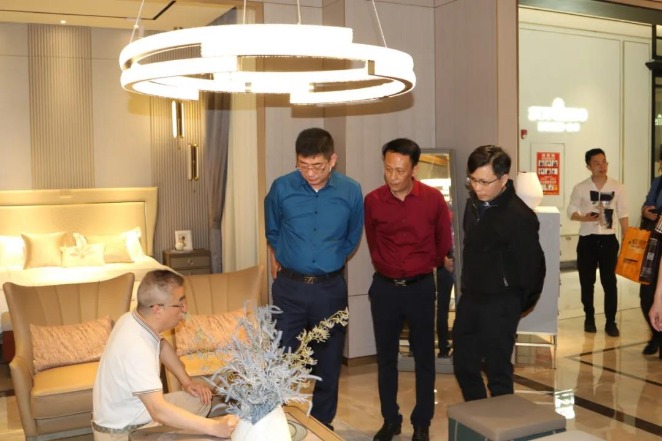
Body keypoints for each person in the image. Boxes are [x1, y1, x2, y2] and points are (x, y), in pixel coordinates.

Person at [264, 127, 363, 430]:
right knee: (281, 358)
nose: (310, 173)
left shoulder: (351, 191)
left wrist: (329, 261)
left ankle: (322, 423)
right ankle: (278, 422)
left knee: (329, 360)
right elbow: (273, 231)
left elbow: (352, 237)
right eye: (303, 165)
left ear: (332, 160)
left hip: (330, 289)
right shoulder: (281, 188)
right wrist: (289, 257)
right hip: (290, 288)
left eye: (317, 166)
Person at [364, 138, 452, 441]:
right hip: (385, 289)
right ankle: (390, 419)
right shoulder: (373, 200)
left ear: (414, 169)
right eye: (388, 169)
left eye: (400, 170)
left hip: (420, 288)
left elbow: (442, 243)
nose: (393, 176)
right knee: (386, 358)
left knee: (424, 357)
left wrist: (420, 265)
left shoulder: (433, 199)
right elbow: (373, 242)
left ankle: (422, 422)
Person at [92, 270, 238, 441]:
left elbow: (161, 345)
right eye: (179, 303)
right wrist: (215, 427)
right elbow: (158, 411)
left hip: (138, 414)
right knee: (208, 433)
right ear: (158, 309)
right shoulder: (137, 347)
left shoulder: (132, 319)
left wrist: (187, 381)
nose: (185, 309)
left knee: (201, 400)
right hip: (122, 433)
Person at [453, 145, 545, 402]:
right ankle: (478, 415)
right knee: (463, 364)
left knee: (497, 371)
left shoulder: (520, 216)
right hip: (471, 297)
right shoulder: (473, 205)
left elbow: (534, 267)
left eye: (484, 182)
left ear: (503, 179)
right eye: (472, 180)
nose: (477, 187)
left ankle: (503, 421)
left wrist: (516, 304)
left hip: (502, 301)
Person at [567, 148, 628, 337]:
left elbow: (623, 213)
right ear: (588, 166)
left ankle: (611, 322)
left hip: (609, 240)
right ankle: (589, 317)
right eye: (597, 163)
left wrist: (627, 237)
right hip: (587, 240)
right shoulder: (581, 187)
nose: (602, 166)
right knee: (587, 282)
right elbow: (570, 211)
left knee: (610, 282)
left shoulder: (617, 187)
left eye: (604, 162)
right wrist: (583, 217)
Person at [639, 152, 662, 355]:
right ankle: (656, 334)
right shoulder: (658, 182)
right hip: (654, 242)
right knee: (646, 292)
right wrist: (646, 211)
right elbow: (647, 204)